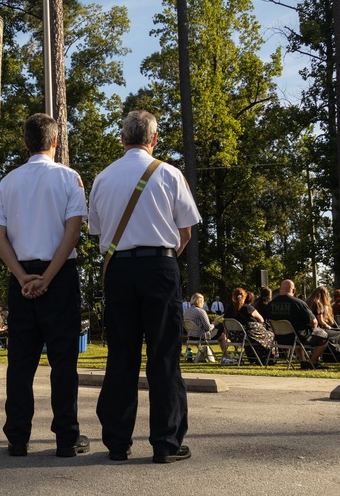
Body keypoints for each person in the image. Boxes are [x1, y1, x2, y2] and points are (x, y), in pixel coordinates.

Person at [89, 110, 201, 464]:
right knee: (164, 355)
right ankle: (165, 442)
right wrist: (165, 258)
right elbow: (185, 231)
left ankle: (118, 442)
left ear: (122, 139)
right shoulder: (169, 173)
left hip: (119, 268)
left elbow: (97, 232)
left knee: (121, 355)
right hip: (160, 266)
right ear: (155, 139)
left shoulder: (103, 178)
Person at [0, 112, 89, 459]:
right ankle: (66, 438)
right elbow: (72, 232)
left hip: (22, 276)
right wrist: (48, 277)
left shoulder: (8, 182)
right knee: (63, 362)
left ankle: (17, 437)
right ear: (55, 142)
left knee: (20, 362)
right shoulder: (69, 178)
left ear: (25, 142)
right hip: (58, 276)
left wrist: (21, 277)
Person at [263, 279, 332, 370]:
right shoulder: (298, 303)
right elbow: (314, 322)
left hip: (278, 338)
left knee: (296, 333)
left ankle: (303, 361)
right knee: (324, 336)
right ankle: (313, 362)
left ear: (280, 290)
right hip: (298, 337)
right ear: (294, 290)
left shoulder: (271, 304)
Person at [182, 292, 229, 361]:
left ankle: (226, 350)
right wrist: (214, 323)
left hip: (191, 336)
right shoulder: (201, 311)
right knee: (222, 335)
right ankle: (226, 355)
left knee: (220, 334)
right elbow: (208, 328)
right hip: (201, 336)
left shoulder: (187, 312)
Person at [307, 286, 340, 361]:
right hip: (317, 331)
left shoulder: (308, 302)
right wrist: (329, 327)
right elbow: (321, 321)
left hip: (308, 330)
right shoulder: (318, 304)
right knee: (339, 333)